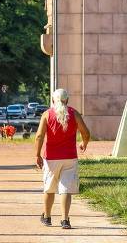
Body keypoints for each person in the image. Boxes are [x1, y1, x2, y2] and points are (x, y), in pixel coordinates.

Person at [34, 89, 91, 230]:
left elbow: (39, 136)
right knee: (65, 189)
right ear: (67, 100)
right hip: (70, 157)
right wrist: (84, 143)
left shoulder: (47, 114)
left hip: (51, 158)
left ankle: (47, 217)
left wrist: (37, 154)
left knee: (49, 189)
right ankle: (65, 220)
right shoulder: (74, 113)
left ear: (53, 100)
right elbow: (86, 132)